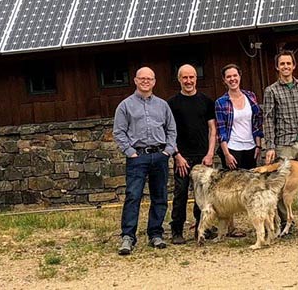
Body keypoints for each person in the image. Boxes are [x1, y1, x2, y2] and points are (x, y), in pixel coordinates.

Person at [113, 67, 177, 255]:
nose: (146, 81)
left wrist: (168, 151)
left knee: (160, 196)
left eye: (149, 79)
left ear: (154, 82)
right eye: (142, 78)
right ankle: (128, 237)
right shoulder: (125, 105)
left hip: (159, 156)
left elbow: (171, 129)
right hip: (137, 157)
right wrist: (130, 152)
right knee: (133, 196)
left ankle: (155, 234)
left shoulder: (163, 105)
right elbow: (119, 131)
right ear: (135, 80)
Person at [263, 50, 298, 233]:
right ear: (277, 67)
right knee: (283, 183)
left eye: (289, 64)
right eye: (282, 64)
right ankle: (287, 221)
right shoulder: (271, 91)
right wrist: (269, 146)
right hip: (284, 143)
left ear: (294, 66)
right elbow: (268, 119)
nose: (286, 67)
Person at [167, 64, 216, 245]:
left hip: (203, 156)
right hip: (182, 157)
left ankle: (201, 229)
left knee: (202, 195)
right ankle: (177, 230)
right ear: (179, 79)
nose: (188, 81)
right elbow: (168, 132)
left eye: (191, 77)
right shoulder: (171, 104)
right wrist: (177, 155)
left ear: (196, 78)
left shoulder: (206, 101)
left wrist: (210, 153)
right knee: (180, 194)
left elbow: (212, 129)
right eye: (184, 78)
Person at [215, 64, 263, 171]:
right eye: (228, 77)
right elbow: (221, 131)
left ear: (239, 77)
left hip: (251, 147)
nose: (232, 79)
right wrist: (226, 154)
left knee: (251, 184)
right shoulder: (221, 102)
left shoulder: (250, 96)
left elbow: (257, 123)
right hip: (233, 148)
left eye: (235, 75)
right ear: (224, 80)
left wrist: (258, 145)